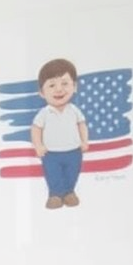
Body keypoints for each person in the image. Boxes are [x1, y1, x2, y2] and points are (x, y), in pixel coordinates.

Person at [30, 58, 89, 209]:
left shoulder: (74, 110)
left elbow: (81, 125)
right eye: (51, 85)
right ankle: (55, 194)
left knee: (72, 172)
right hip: (51, 152)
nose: (59, 89)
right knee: (53, 173)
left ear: (75, 86)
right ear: (42, 92)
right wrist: (38, 145)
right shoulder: (44, 113)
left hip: (74, 150)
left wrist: (84, 141)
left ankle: (69, 192)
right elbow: (36, 129)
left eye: (64, 83)